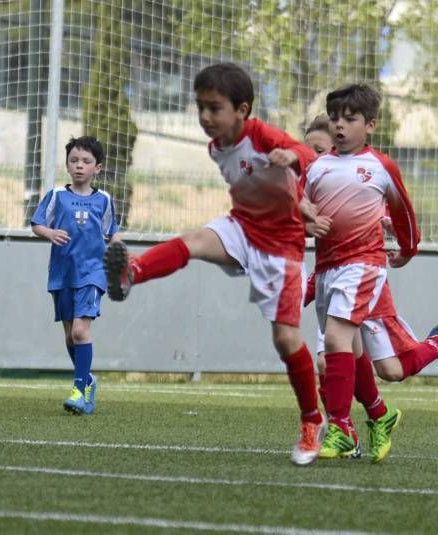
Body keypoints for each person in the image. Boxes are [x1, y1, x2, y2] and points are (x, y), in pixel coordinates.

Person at [102, 62, 328, 466]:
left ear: (242, 109)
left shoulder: (260, 135)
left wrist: (290, 157)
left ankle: (313, 420)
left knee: (285, 340)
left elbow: (307, 154)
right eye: (200, 107)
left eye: (215, 108)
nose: (205, 117)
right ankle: (131, 271)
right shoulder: (216, 147)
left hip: (281, 249)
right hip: (242, 228)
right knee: (193, 242)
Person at [303, 83, 438, 463]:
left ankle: (343, 428)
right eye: (335, 118)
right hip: (330, 270)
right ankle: (381, 413)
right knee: (378, 364)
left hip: (364, 267)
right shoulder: (318, 168)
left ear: (371, 125)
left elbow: (404, 215)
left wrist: (408, 249)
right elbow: (297, 210)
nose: (340, 126)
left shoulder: (381, 167)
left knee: (334, 343)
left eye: (350, 119)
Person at [31, 135, 119, 415]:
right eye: (74, 160)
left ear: (98, 168)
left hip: (92, 273)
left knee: (82, 331)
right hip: (62, 273)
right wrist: (50, 232)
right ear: (67, 166)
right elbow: (36, 224)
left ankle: (79, 390)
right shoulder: (57, 195)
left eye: (86, 161)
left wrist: (120, 254)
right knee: (71, 337)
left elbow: (112, 232)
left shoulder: (104, 200)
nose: (79, 166)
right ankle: (88, 380)